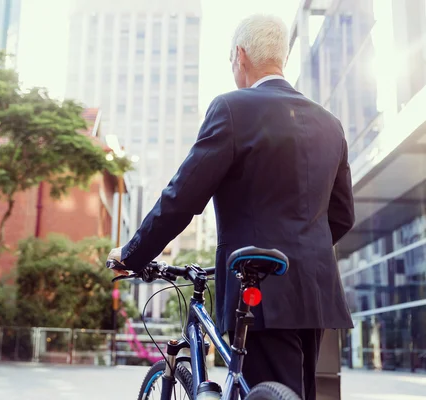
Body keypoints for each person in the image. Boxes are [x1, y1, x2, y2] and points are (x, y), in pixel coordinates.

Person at [106, 13, 355, 400]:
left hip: (260, 288)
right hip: (316, 289)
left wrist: (133, 254)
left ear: (240, 56)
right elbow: (342, 215)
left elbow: (181, 197)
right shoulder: (330, 123)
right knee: (297, 393)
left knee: (269, 390)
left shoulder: (233, 109)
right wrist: (303, 250)